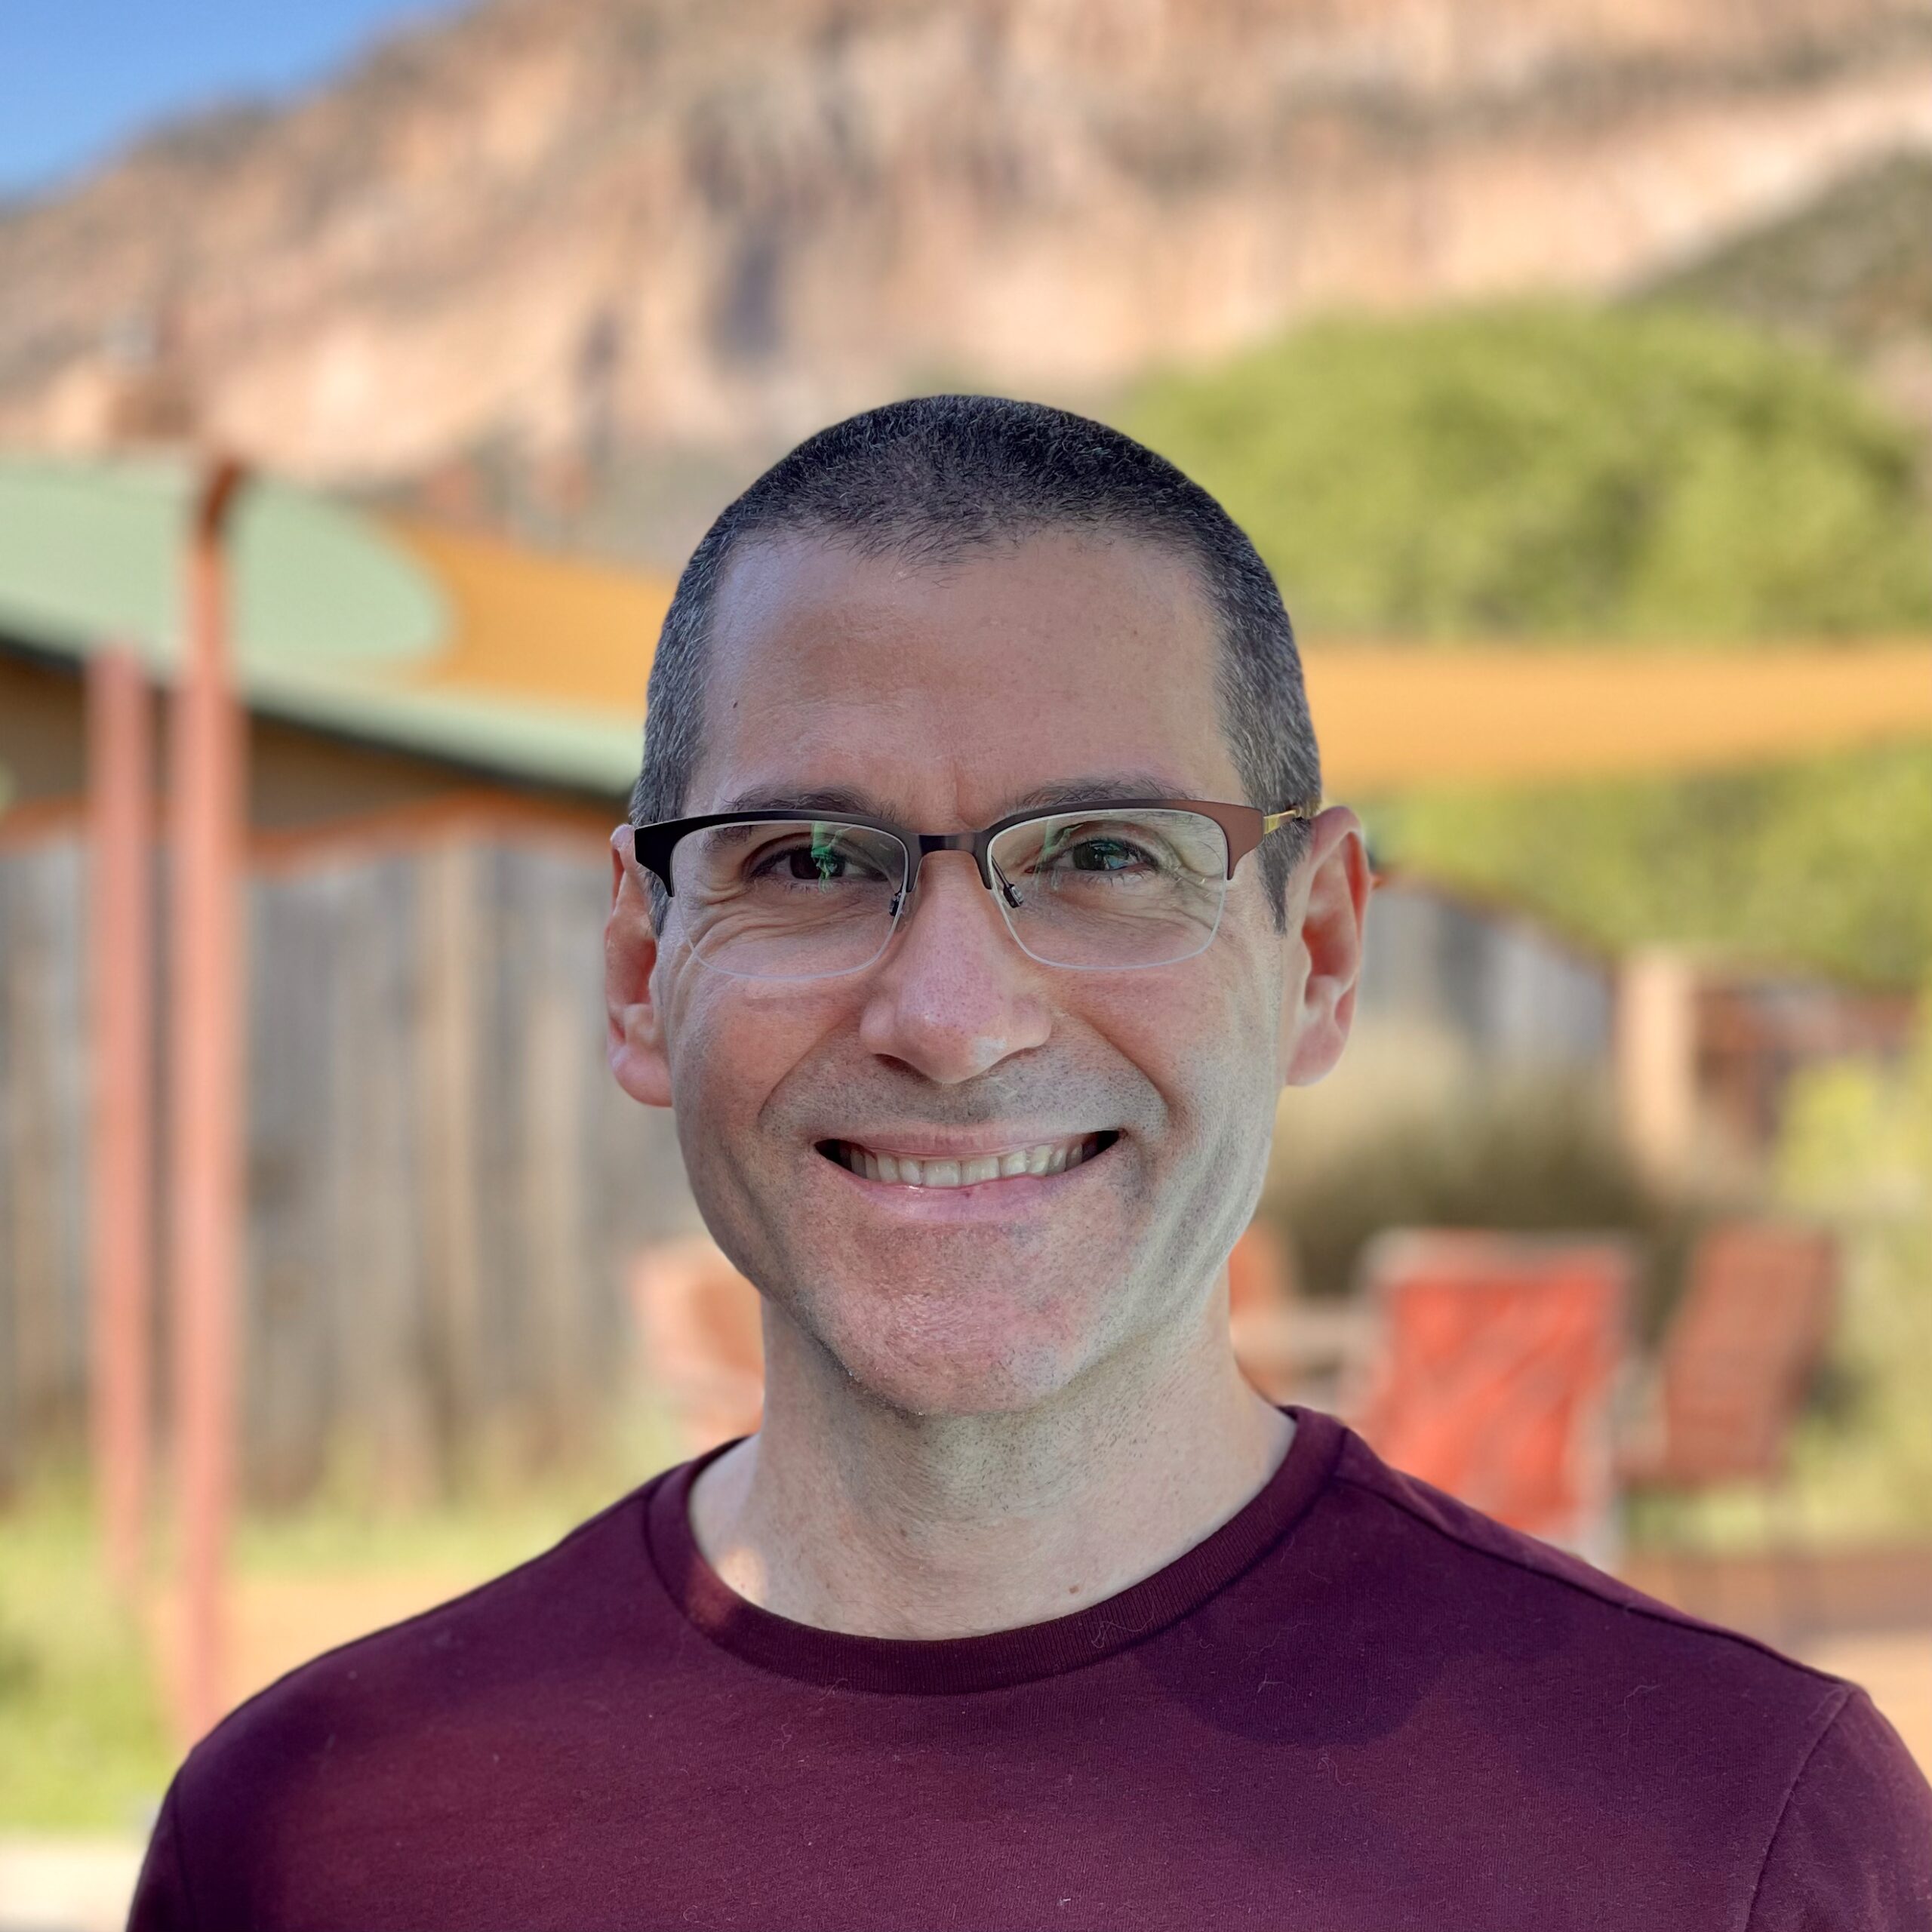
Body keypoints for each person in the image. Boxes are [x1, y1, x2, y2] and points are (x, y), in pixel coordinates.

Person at [131, 398, 1932, 1930]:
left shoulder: (1734, 1837)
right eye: (807, 859)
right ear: (635, 968)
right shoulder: (315, 1845)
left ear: (1315, 952)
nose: (949, 1016)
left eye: (1102, 853)